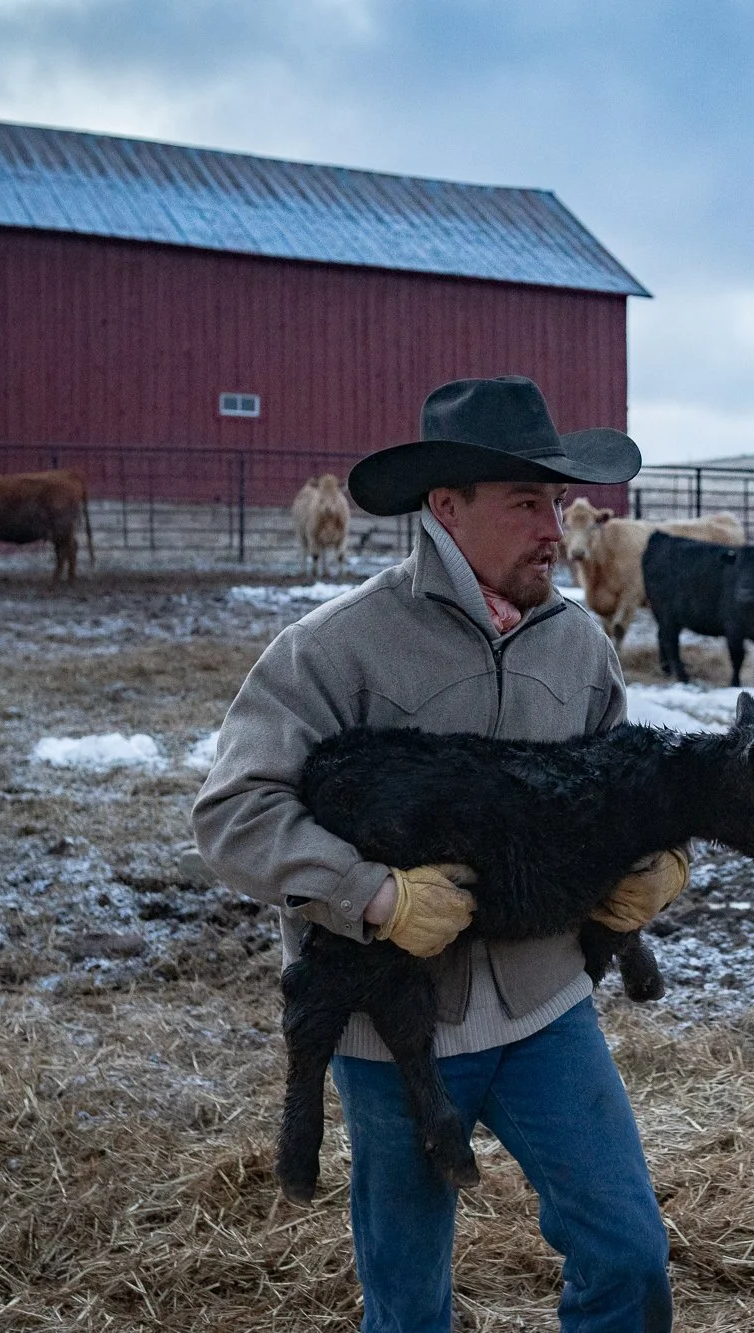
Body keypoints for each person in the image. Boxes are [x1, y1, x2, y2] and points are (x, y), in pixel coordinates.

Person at [193, 376, 684, 1332]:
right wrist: (372, 895)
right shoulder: (336, 649)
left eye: (556, 501)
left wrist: (661, 863)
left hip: (547, 1007)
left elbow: (631, 788)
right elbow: (234, 815)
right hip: (394, 1027)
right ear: (446, 507)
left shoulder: (579, 647)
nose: (557, 529)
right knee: (409, 1304)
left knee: (629, 1251)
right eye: (527, 503)